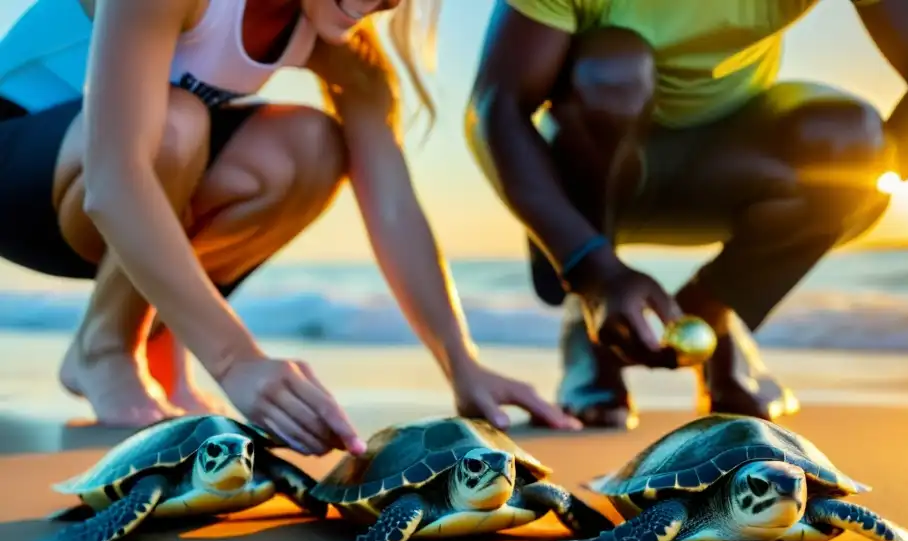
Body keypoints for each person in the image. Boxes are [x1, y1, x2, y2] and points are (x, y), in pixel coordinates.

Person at [0, 0, 582, 456]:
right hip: (26, 181)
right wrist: (236, 360)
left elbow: (395, 206)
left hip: (114, 187)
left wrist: (462, 362)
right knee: (176, 124)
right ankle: (105, 348)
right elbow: (114, 180)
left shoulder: (340, 44)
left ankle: (156, 344)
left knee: (312, 146)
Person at [465, 0, 908, 428]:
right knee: (611, 68)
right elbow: (495, 106)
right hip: (595, 175)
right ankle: (590, 323)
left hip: (734, 171)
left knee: (850, 138)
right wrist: (588, 265)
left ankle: (714, 312)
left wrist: (845, 203)